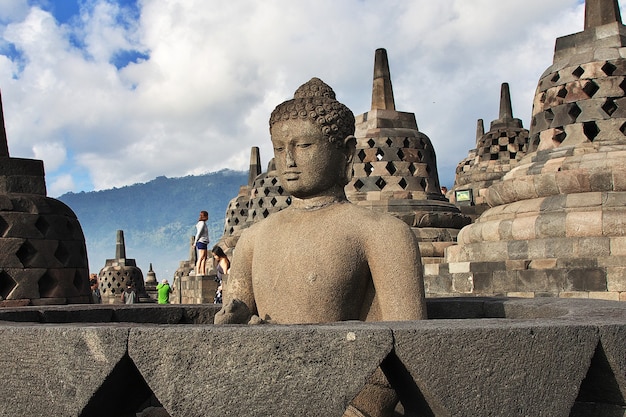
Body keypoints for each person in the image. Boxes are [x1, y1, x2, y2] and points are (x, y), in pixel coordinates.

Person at [214, 78, 426, 417]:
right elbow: (231, 332)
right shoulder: (252, 240)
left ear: (345, 151)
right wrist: (233, 326)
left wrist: (360, 410)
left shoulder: (383, 234)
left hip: (352, 407)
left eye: (304, 146)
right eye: (280, 149)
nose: (289, 160)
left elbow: (407, 347)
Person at [194, 211, 210, 275]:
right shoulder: (202, 223)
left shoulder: (204, 223)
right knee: (201, 257)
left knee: (205, 257)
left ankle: (203, 272)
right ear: (205, 216)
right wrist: (195, 242)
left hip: (204, 241)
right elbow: (199, 233)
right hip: (201, 241)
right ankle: (198, 272)